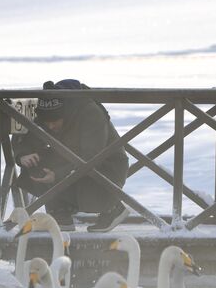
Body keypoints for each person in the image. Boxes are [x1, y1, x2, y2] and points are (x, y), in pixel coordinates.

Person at [13, 80, 130, 233]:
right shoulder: (42, 110)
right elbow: (24, 136)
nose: (51, 126)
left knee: (79, 171)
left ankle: (113, 207)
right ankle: (60, 212)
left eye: (55, 121)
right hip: (69, 159)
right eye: (46, 123)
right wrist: (23, 155)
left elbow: (92, 158)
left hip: (106, 168)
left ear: (66, 113)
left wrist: (57, 174)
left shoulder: (90, 112)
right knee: (35, 164)